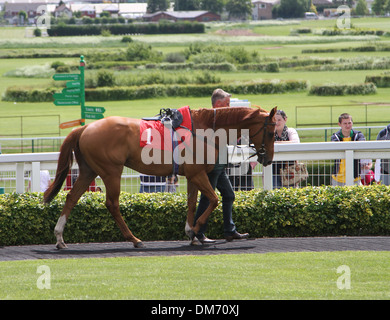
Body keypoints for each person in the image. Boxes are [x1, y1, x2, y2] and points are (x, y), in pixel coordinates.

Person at [192, 88, 249, 244]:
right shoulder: (212, 120)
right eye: (227, 104)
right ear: (218, 104)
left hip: (219, 166)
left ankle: (229, 231)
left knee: (229, 195)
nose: (229, 107)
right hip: (212, 167)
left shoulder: (220, 120)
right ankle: (198, 233)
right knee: (207, 198)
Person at [331, 113, 365, 186]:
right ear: (339, 124)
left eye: (349, 123)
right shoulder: (335, 137)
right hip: (338, 178)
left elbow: (363, 145)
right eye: (345, 123)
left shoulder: (358, 135)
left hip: (355, 178)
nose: (347, 125)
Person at [272, 110, 300, 189]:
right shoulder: (270, 133)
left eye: (279, 120)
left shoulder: (290, 131)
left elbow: (295, 143)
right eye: (274, 120)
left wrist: (277, 143)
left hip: (290, 171)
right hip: (274, 171)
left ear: (285, 119)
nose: (276, 122)